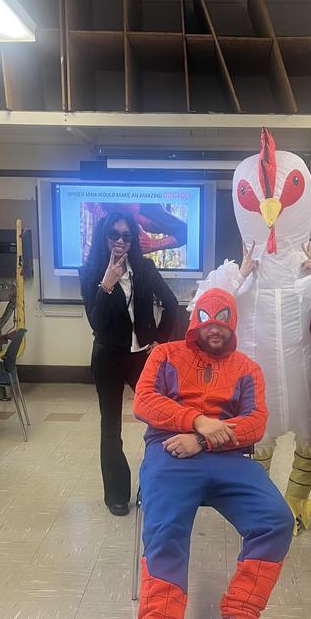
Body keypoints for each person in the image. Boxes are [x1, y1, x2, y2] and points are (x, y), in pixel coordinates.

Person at [113, 288, 294, 619]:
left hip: (228, 458)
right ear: (196, 321)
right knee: (166, 531)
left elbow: (256, 422)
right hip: (169, 452)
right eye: (208, 320)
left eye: (223, 322)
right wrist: (195, 420)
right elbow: (145, 401)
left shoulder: (247, 368)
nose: (215, 329)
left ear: (233, 324)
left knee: (276, 520)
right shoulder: (165, 355)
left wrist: (204, 439)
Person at [189, 129, 311, 534]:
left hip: (304, 375)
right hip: (255, 376)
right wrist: (239, 275)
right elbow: (202, 309)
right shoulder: (235, 275)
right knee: (255, 439)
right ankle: (262, 507)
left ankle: (296, 500)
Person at [79, 211, 178, 516]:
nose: (120, 241)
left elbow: (171, 304)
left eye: (126, 236)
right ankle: (116, 495)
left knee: (160, 420)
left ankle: (153, 487)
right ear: (104, 237)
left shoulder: (144, 269)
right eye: (114, 235)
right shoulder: (90, 272)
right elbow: (96, 323)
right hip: (108, 356)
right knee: (111, 427)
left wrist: (160, 340)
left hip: (142, 356)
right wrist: (107, 284)